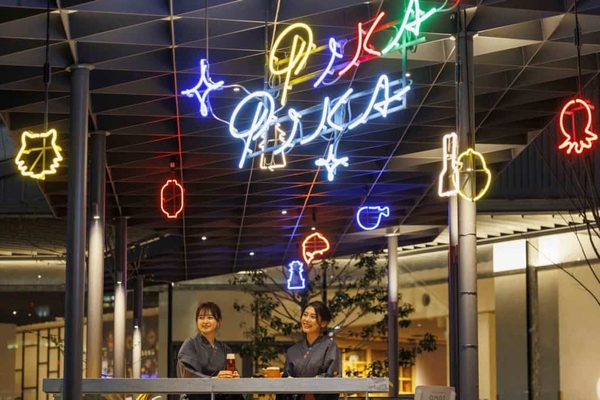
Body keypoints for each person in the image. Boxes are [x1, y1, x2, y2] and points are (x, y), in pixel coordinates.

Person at [177, 302, 240, 400]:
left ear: (218, 321)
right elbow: (187, 374)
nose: (205, 321)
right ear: (196, 321)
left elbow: (230, 376)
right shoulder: (190, 344)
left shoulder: (225, 349)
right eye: (201, 318)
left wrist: (233, 377)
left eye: (210, 317)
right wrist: (213, 380)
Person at [280, 301, 341, 400]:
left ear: (323, 323)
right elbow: (286, 379)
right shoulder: (292, 351)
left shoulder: (329, 347)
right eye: (305, 315)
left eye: (313, 317)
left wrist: (308, 388)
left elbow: (333, 375)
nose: (306, 319)